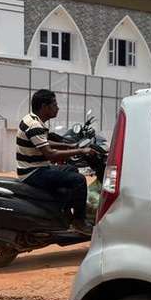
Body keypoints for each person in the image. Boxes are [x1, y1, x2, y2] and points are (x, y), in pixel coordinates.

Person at [16, 89, 95, 232]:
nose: (57, 108)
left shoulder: (32, 119)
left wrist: (69, 145)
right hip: (33, 172)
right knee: (79, 180)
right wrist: (81, 150)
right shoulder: (35, 126)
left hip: (34, 168)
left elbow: (45, 142)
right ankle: (79, 222)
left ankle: (63, 210)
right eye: (54, 104)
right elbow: (51, 154)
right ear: (44, 107)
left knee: (71, 170)